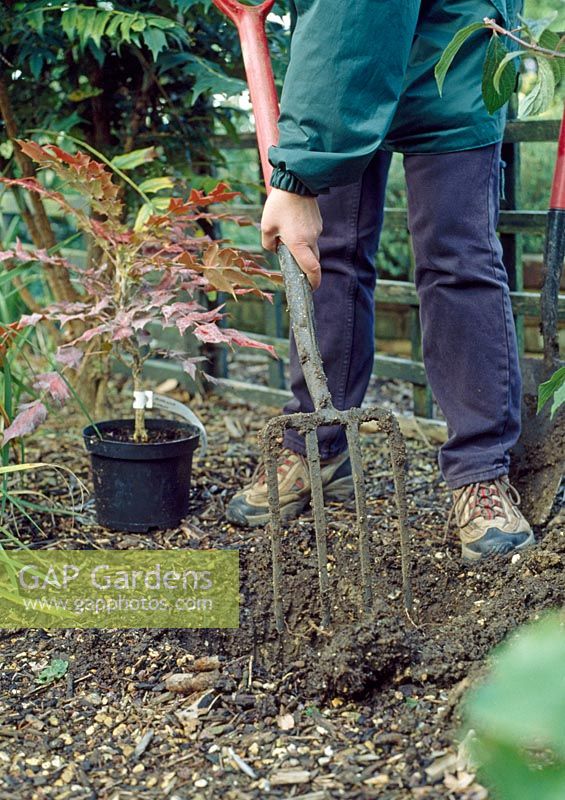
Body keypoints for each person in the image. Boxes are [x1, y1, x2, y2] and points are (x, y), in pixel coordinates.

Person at [227, 0, 535, 562]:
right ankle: (318, 446)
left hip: (454, 49)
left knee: (457, 258)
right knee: (330, 252)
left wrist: (298, 174)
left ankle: (480, 472)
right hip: (345, 80)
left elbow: (355, 15)